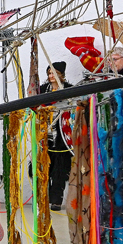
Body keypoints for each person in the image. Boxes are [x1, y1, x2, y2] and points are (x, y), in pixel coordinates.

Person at [40, 61, 73, 211]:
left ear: (61, 75)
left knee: (60, 170)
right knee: (44, 168)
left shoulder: (69, 89)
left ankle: (56, 200)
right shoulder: (42, 90)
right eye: (49, 73)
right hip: (45, 134)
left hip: (62, 136)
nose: (51, 76)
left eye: (54, 73)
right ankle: (43, 198)